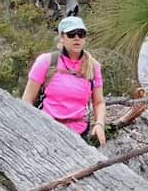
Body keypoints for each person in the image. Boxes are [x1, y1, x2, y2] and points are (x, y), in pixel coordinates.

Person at [22, 15, 107, 146]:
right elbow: (27, 100)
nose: (77, 38)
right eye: (71, 34)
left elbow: (99, 102)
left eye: (81, 34)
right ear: (62, 37)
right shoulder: (46, 62)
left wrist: (99, 124)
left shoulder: (93, 66)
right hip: (47, 131)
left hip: (79, 134)